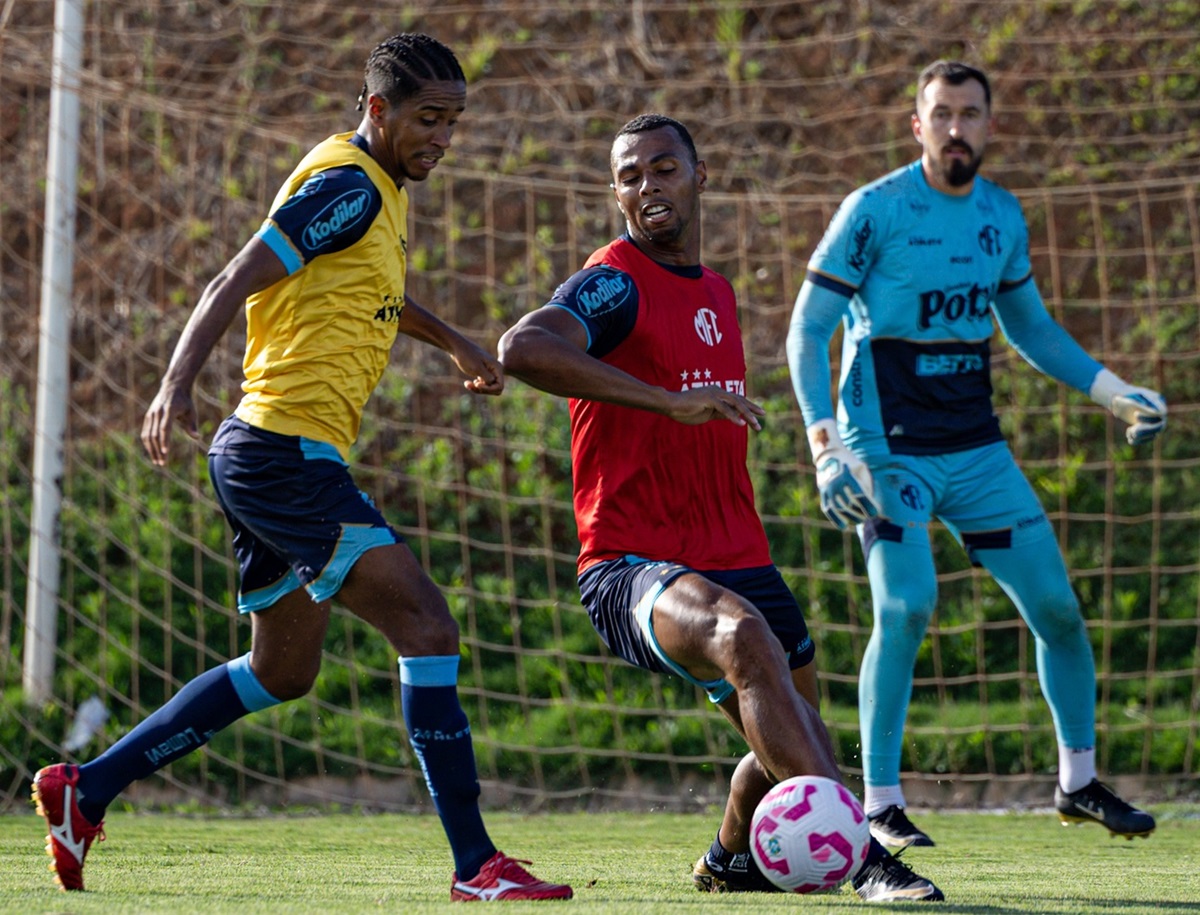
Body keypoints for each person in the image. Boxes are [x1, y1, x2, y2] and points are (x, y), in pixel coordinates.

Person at [31, 33, 571, 902]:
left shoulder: (376, 191)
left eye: (454, 122)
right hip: (283, 453)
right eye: (428, 119)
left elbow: (373, 295)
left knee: (283, 671)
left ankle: (85, 788)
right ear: (378, 109)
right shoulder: (350, 185)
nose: (442, 138)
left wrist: (454, 340)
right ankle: (477, 865)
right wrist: (173, 384)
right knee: (428, 627)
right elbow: (234, 277)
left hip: (265, 454)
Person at [498, 113, 944, 903]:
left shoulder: (716, 292)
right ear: (616, 194)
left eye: (664, 168)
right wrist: (664, 401)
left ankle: (732, 856)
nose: (648, 187)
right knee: (744, 640)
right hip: (631, 562)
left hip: (735, 551)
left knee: (794, 730)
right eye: (631, 176)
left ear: (700, 177)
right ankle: (867, 859)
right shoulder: (614, 280)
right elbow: (524, 347)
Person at [786, 59, 1165, 851]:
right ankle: (881, 803)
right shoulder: (875, 210)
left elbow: (1029, 328)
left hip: (976, 449)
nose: (957, 127)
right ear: (915, 125)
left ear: (990, 125)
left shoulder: (1000, 214)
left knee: (1059, 609)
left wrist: (1111, 390)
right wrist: (825, 447)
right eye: (942, 113)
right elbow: (807, 327)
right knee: (906, 604)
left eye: (971, 114)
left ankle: (1076, 781)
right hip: (886, 449)